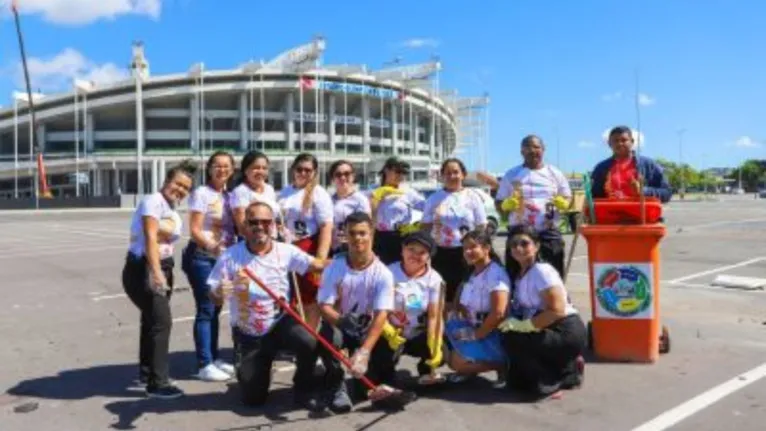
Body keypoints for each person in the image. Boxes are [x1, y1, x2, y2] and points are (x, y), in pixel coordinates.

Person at [206, 201, 335, 411]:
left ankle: (303, 390)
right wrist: (219, 292)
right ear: (245, 225)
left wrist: (353, 261)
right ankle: (259, 366)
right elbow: (213, 296)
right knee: (253, 400)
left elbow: (317, 265)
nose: (260, 226)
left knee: (308, 340)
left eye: (265, 221)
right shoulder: (230, 256)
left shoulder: (285, 251)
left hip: (279, 323)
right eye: (253, 221)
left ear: (273, 225)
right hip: (249, 333)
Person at [121, 159, 195, 399]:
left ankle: (147, 373)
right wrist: (156, 273)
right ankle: (158, 383)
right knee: (162, 323)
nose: (180, 190)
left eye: (186, 188)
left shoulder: (171, 208)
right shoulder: (153, 202)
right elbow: (151, 238)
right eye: (177, 184)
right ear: (166, 181)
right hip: (145, 267)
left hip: (161, 265)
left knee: (151, 321)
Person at [317, 211, 400, 407]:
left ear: (372, 233)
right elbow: (324, 306)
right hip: (342, 325)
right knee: (329, 335)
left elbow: (381, 315)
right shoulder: (334, 268)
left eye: (362, 233)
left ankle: (369, 376)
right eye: (352, 233)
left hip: (367, 330)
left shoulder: (383, 274)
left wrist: (364, 352)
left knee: (365, 391)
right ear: (345, 235)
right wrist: (340, 320)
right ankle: (336, 385)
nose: (357, 238)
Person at [498, 225, 586, 400]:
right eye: (513, 244)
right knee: (516, 378)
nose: (518, 248)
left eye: (524, 243)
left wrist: (526, 325)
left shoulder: (542, 270)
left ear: (536, 246)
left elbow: (557, 310)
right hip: (546, 325)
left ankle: (550, 382)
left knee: (514, 339)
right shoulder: (520, 274)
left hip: (565, 329)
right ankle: (568, 371)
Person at [181, 151, 237, 382]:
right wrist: (213, 246)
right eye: (217, 165)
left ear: (232, 170)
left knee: (215, 308)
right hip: (202, 257)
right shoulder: (201, 194)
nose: (221, 169)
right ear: (209, 168)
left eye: (226, 166)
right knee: (206, 309)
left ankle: (213, 358)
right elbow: (194, 229)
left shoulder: (229, 196)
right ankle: (204, 363)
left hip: (221, 259)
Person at [495, 135, 572, 279]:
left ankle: (556, 300)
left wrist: (565, 203)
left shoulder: (555, 173)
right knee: (515, 275)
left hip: (548, 232)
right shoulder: (511, 174)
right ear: (521, 151)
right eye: (527, 147)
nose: (532, 150)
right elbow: (498, 202)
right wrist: (505, 205)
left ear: (543, 150)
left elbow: (568, 197)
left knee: (553, 276)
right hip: (519, 232)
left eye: (536, 147)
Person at [445, 229, 510, 385]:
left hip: (491, 332)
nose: (467, 251)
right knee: (440, 343)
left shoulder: (495, 274)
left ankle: (503, 365)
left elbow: (498, 313)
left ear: (486, 248)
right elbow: (459, 302)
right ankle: (471, 366)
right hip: (473, 325)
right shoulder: (473, 271)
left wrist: (476, 335)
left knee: (455, 363)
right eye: (465, 248)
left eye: (473, 247)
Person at [277, 153, 334, 330]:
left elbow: (326, 226)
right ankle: (295, 336)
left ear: (314, 173)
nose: (303, 173)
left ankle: (309, 337)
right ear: (293, 170)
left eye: (308, 170)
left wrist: (319, 258)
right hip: (286, 248)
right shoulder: (286, 191)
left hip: (308, 246)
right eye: (299, 169)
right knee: (290, 295)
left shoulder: (319, 194)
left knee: (309, 297)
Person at [420, 158, 487, 305]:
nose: (452, 176)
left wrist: (481, 250)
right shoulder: (434, 198)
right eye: (447, 173)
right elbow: (425, 226)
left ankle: (463, 324)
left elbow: (481, 226)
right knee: (442, 294)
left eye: (456, 172)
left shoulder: (473, 197)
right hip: (440, 253)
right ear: (442, 176)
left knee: (465, 293)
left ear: (463, 174)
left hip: (466, 254)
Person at [386, 231, 446, 381]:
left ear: (428, 257)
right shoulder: (387, 272)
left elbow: (434, 317)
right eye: (411, 249)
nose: (415, 255)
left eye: (422, 252)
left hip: (418, 332)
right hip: (391, 333)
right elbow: (377, 308)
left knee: (443, 350)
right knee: (380, 374)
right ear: (402, 250)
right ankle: (386, 368)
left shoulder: (435, 280)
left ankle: (427, 371)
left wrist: (435, 342)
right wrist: (386, 330)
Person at [590, 125, 672, 203]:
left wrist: (643, 191)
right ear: (609, 144)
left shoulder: (648, 165)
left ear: (632, 141)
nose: (620, 143)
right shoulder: (600, 168)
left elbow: (667, 193)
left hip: (642, 216)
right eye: (616, 140)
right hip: (610, 215)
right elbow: (593, 197)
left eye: (624, 140)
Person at [369, 157, 426, 265]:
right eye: (398, 171)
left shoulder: (408, 191)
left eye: (404, 173)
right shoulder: (373, 190)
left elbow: (427, 208)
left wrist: (417, 226)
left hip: (402, 236)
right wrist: (375, 199)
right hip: (379, 237)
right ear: (386, 170)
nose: (401, 176)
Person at [231, 151, 280, 238]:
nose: (260, 171)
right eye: (256, 168)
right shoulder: (240, 192)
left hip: (272, 241)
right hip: (252, 244)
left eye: (264, 168)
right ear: (246, 170)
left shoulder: (269, 189)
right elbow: (242, 228)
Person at [328, 160, 371, 256]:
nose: (343, 177)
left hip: (354, 249)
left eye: (347, 174)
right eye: (338, 175)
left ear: (353, 176)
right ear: (332, 178)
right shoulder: (328, 200)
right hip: (332, 250)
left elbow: (366, 228)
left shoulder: (360, 200)